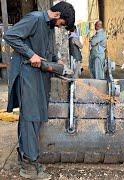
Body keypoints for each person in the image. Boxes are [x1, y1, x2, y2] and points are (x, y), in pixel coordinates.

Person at [3, 2, 75, 179]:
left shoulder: (49, 27)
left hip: (39, 78)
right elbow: (10, 35)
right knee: (30, 118)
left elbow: (47, 52)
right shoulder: (34, 19)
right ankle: (28, 166)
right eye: (62, 23)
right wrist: (31, 54)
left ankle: (27, 157)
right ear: (57, 15)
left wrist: (57, 62)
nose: (60, 27)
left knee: (35, 117)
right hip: (27, 74)